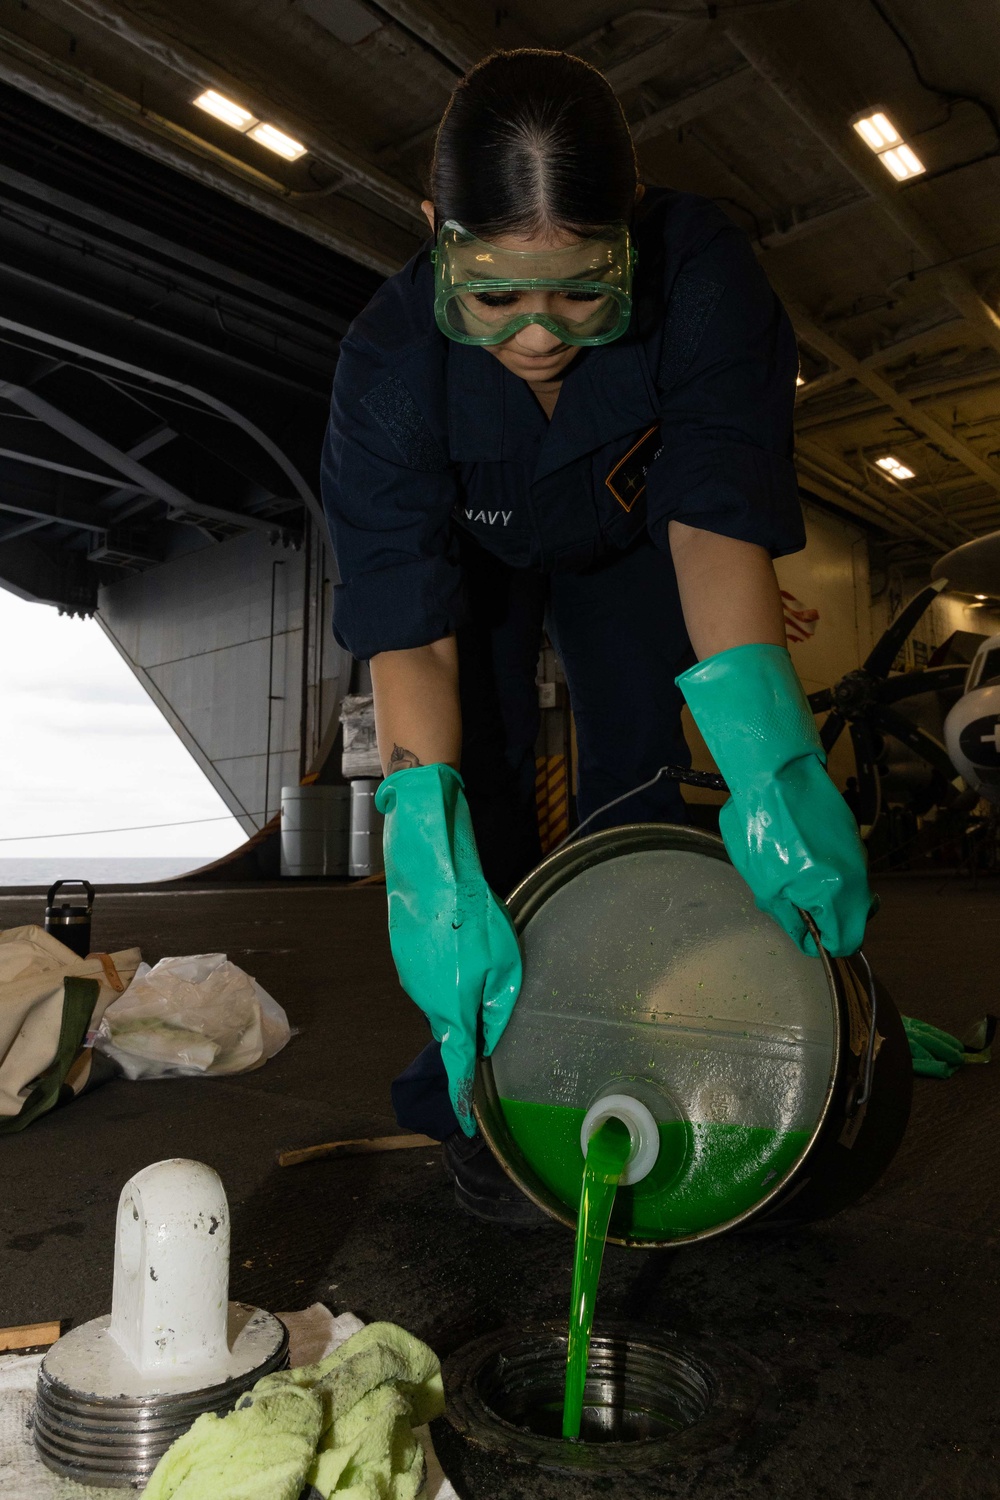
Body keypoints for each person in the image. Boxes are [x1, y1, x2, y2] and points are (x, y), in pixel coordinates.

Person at [321, 49, 871, 1223]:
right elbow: (408, 635)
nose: (536, 334)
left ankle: (645, 1035)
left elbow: (715, 523)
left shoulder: (705, 274)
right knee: (491, 794)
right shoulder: (383, 367)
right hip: (470, 562)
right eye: (493, 294)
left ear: (628, 236)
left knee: (636, 776)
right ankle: (478, 1083)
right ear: (434, 231)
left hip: (636, 540)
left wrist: (772, 766)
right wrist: (423, 839)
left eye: (581, 290)